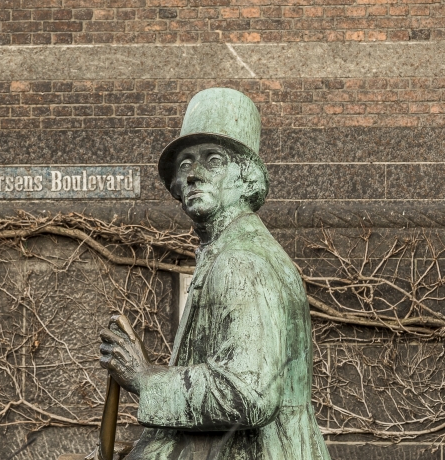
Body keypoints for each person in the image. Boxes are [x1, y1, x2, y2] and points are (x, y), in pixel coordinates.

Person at [98, 88, 330, 459]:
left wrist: (145, 379)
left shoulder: (241, 261)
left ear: (246, 177)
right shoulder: (237, 251)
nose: (194, 174)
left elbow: (249, 393)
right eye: (186, 164)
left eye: (214, 159)